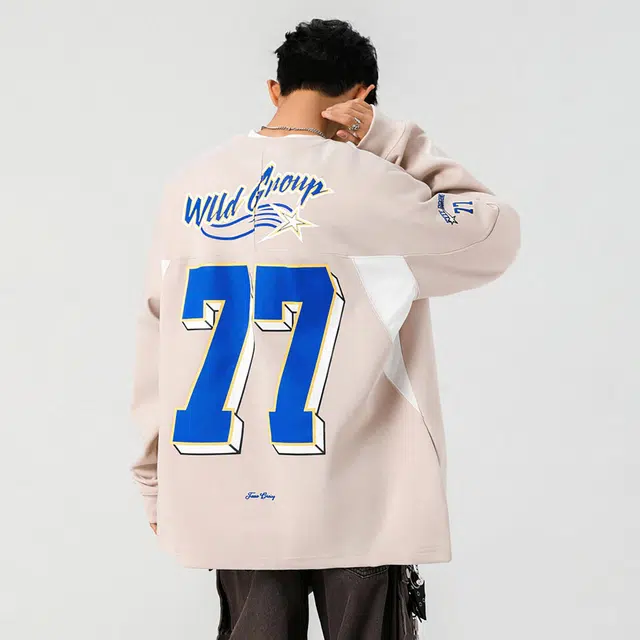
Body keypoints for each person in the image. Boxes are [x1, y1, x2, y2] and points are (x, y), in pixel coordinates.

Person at [129, 18, 520, 640]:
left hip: (232, 497)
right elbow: (492, 234)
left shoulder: (188, 189)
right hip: (359, 505)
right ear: (362, 96)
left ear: (274, 89)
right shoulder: (375, 188)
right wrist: (390, 138)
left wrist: (155, 483)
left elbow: (160, 342)